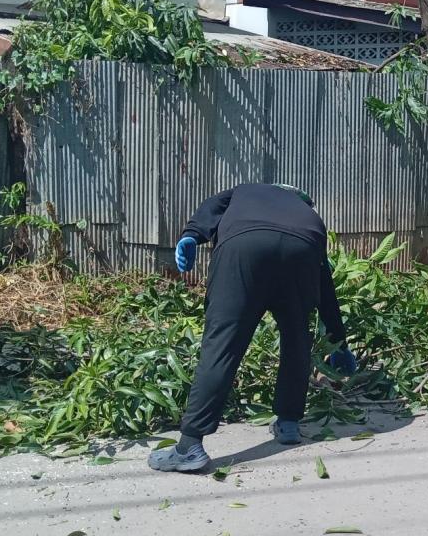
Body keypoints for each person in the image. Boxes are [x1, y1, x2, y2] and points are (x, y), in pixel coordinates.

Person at [151, 183, 357, 473]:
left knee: (222, 343)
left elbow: (212, 206)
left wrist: (192, 235)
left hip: (244, 246)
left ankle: (190, 446)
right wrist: (339, 342)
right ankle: (289, 423)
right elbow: (325, 288)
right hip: (302, 249)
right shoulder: (309, 216)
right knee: (296, 338)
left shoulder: (245, 191)